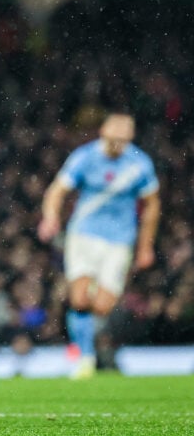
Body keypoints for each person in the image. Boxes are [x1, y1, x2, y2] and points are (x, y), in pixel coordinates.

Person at [37, 112, 160, 378]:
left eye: (122, 140)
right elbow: (57, 190)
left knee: (102, 306)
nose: (117, 145)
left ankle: (92, 347)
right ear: (103, 133)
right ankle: (85, 358)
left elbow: (152, 205)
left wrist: (145, 246)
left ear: (130, 138)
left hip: (119, 241)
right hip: (84, 235)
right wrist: (50, 218)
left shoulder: (139, 164)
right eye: (113, 139)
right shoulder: (85, 157)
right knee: (79, 299)